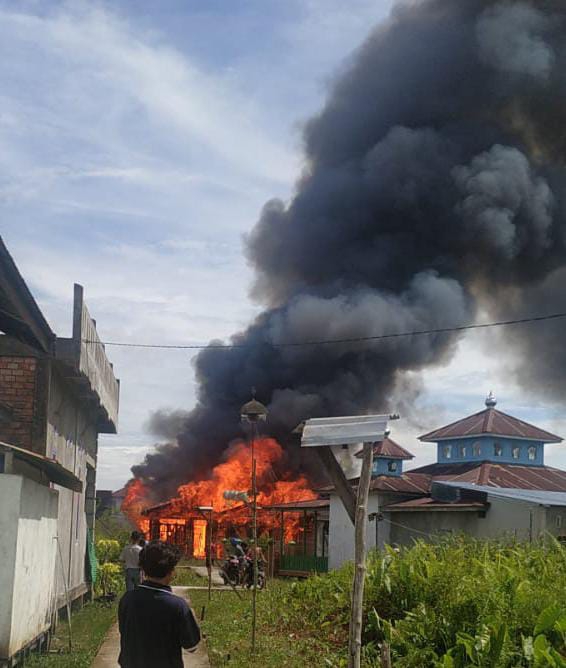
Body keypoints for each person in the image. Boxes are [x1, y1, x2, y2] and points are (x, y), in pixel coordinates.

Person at [118, 541, 201, 668]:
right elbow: (191, 646)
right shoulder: (178, 606)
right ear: (171, 571)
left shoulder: (127, 599)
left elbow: (125, 632)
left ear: (143, 568)